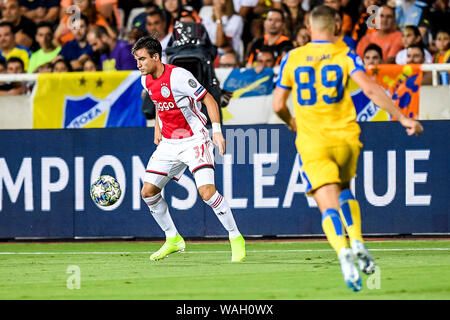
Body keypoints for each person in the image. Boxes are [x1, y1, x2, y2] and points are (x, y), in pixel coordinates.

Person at [273, 5, 423, 292]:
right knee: (344, 190)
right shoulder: (345, 53)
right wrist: (403, 117)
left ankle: (344, 251)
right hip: (345, 137)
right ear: (337, 27)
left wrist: (291, 121)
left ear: (309, 25)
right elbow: (369, 89)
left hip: (313, 141)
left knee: (326, 203)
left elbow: (278, 104)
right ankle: (358, 240)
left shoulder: (292, 57)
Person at [132, 36, 246, 262]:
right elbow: (158, 103)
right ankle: (172, 238)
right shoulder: (145, 80)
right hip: (169, 143)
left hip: (195, 139)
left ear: (156, 57)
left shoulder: (179, 76)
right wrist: (158, 128)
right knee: (148, 192)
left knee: (207, 193)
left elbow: (210, 101)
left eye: (142, 59)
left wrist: (217, 131)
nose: (139, 64)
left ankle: (235, 237)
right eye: (137, 59)